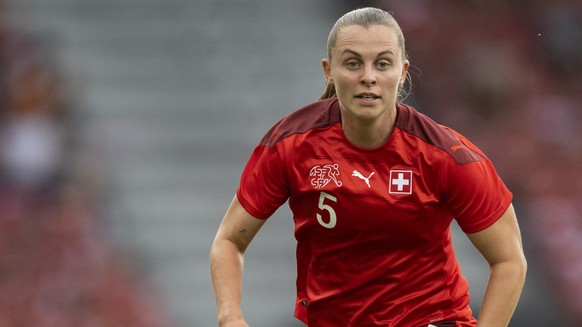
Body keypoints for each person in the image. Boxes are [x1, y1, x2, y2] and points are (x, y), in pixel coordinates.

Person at [210, 7, 527, 327]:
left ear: (402, 72)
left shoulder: (446, 156)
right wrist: (230, 317)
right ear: (328, 71)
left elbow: (509, 259)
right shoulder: (290, 145)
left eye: (383, 63)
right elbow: (229, 241)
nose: (368, 76)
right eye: (352, 63)